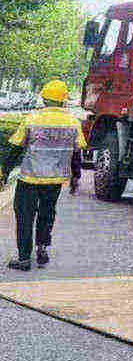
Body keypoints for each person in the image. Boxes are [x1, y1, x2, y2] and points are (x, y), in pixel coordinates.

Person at [1, 80, 85, 270]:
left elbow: (15, 147)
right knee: (47, 214)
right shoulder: (73, 122)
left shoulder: (32, 119)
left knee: (25, 217)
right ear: (64, 100)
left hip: (30, 178)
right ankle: (42, 248)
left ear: (44, 98)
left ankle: (23, 259)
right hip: (55, 180)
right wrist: (75, 178)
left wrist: (4, 171)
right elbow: (77, 154)